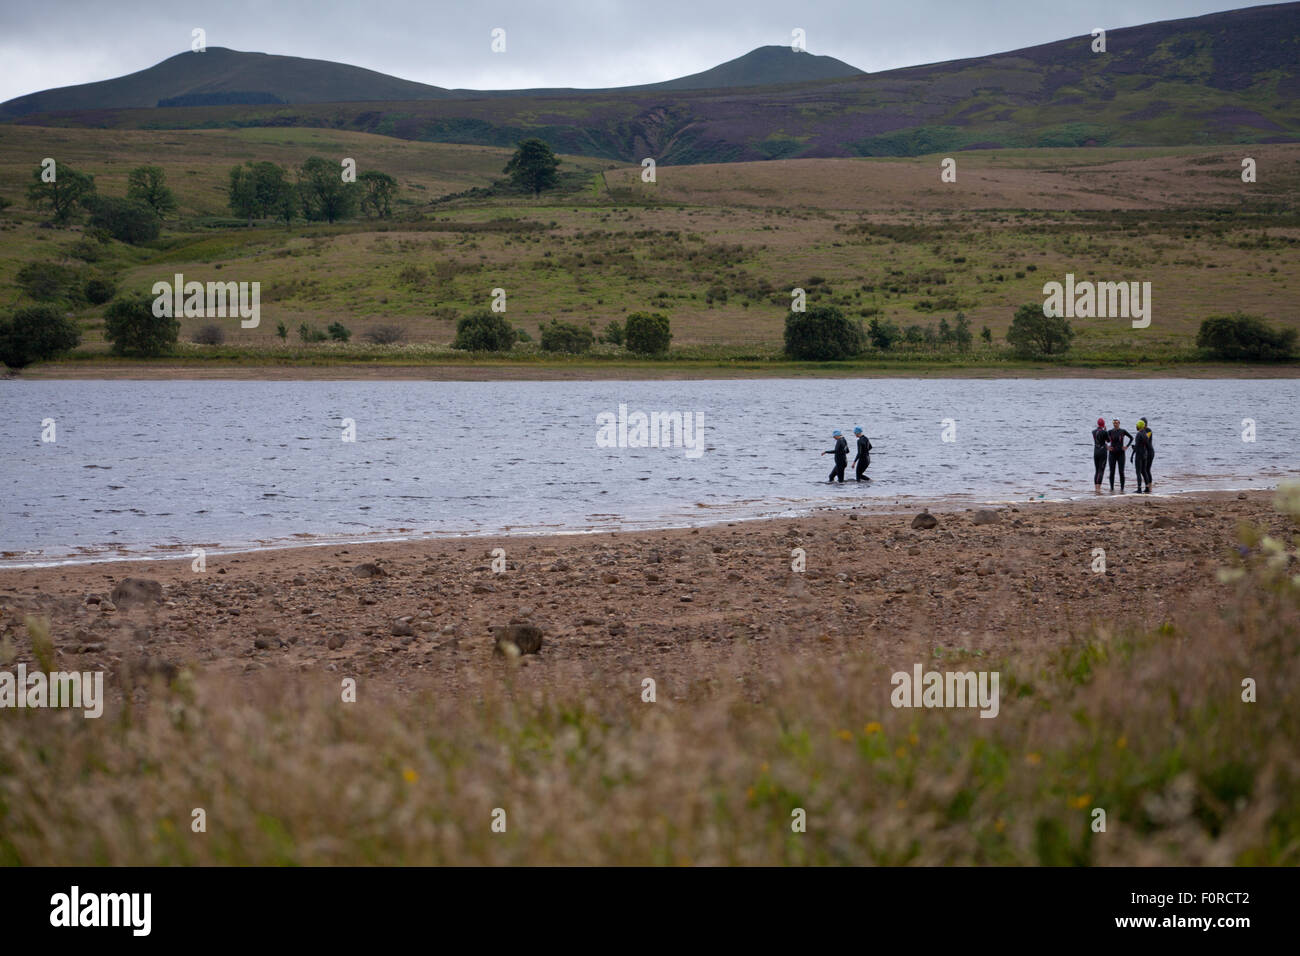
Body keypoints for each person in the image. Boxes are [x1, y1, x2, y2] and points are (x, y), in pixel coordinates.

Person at [1106, 417, 1133, 493]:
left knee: (1121, 472)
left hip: (1121, 454)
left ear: (1119, 423)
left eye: (1117, 423)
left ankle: (1122, 489)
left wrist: (1127, 446)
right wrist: (1107, 447)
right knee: (1112, 472)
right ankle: (1111, 488)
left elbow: (1131, 438)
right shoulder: (1110, 432)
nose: (1115, 424)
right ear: (1113, 424)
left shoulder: (1123, 431)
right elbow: (1102, 439)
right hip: (1112, 454)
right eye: (1114, 423)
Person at [1132, 418, 1154, 493]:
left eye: (1137, 425)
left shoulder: (1143, 433)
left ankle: (1142, 488)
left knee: (1142, 471)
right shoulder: (1144, 433)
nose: (1136, 426)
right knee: (1144, 470)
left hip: (1144, 453)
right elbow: (1146, 444)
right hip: (1145, 453)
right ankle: (1147, 487)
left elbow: (1139, 444)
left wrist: (1132, 453)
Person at [1091, 417, 1109, 493]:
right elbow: (1108, 440)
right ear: (1103, 424)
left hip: (1096, 451)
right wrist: (1105, 431)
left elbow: (1097, 438)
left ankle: (1096, 487)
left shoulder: (1093, 431)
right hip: (1102, 451)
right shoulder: (1105, 432)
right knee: (1101, 470)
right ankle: (1098, 488)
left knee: (1096, 470)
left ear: (1098, 424)